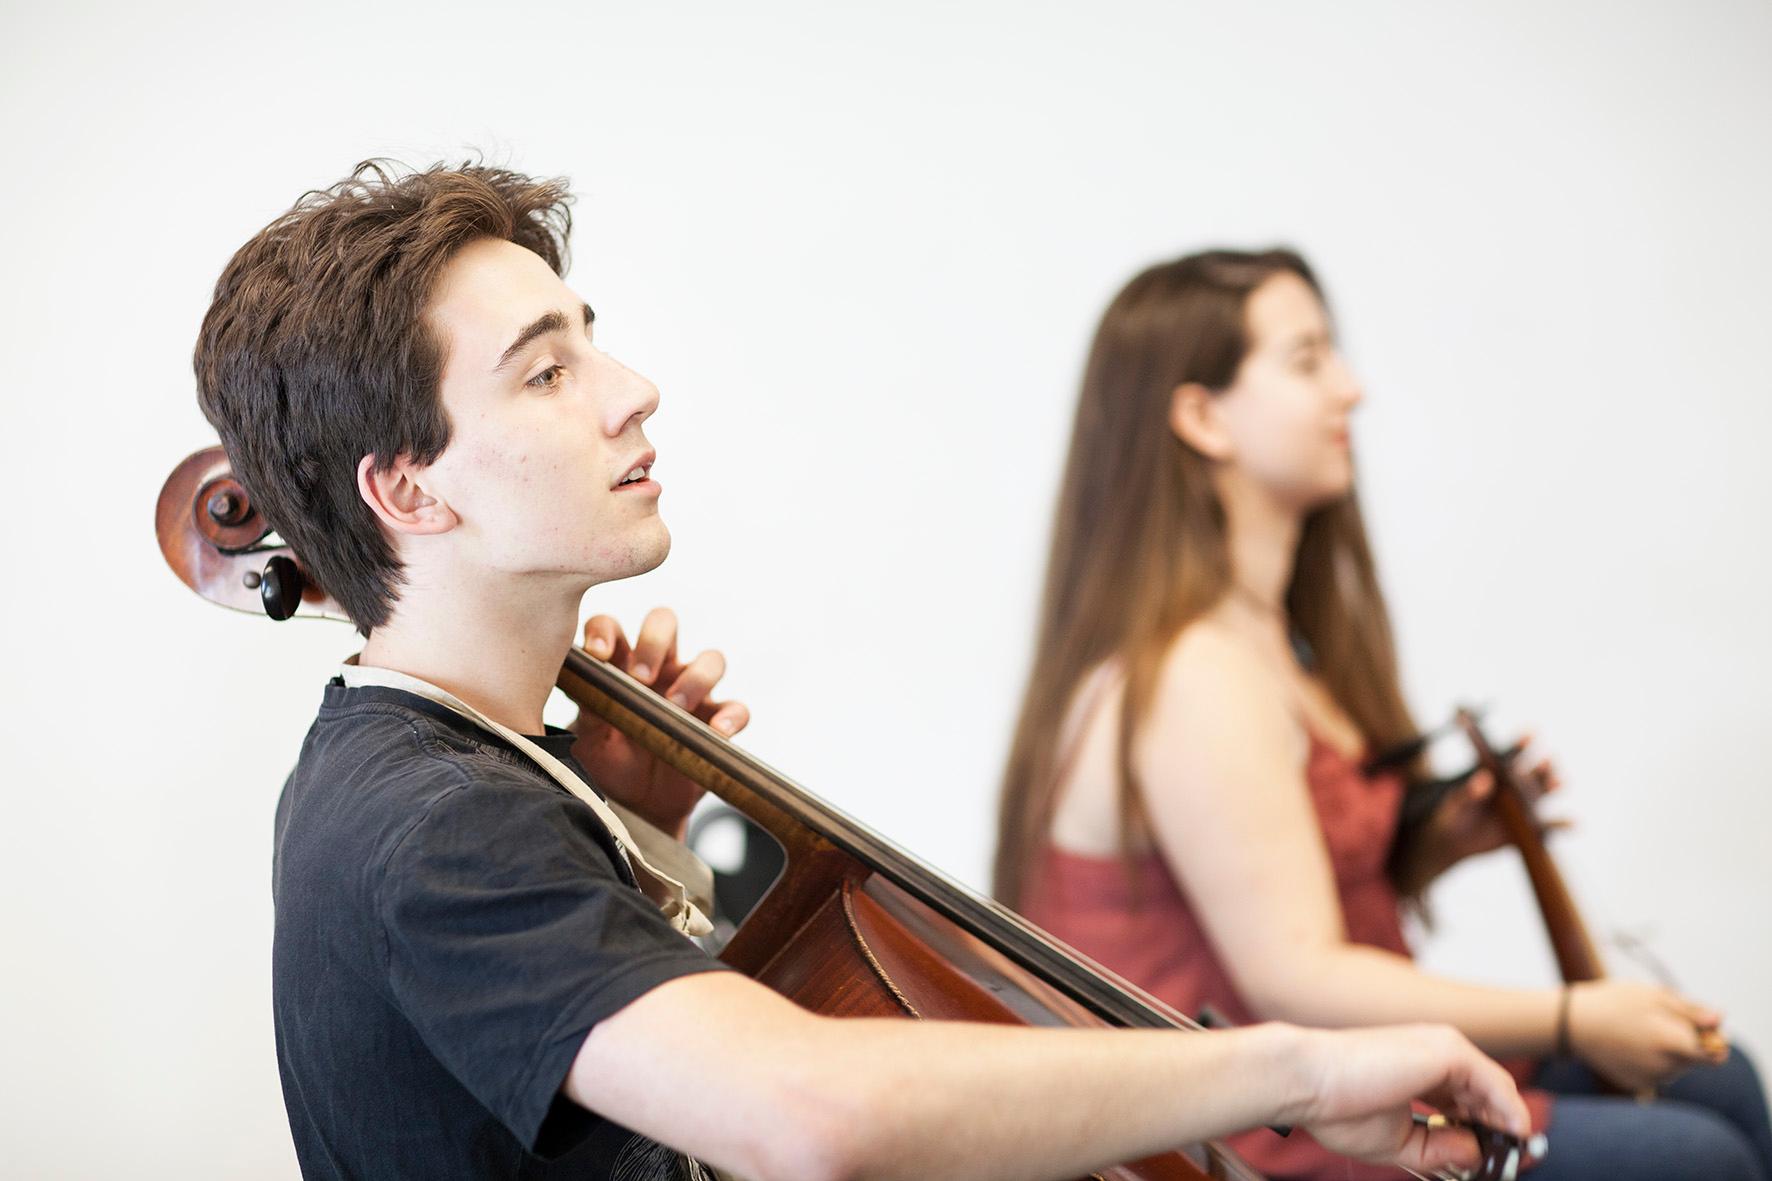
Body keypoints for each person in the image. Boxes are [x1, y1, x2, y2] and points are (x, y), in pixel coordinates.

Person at [193, 164, 1530, 1181]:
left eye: (590, 338)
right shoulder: (438, 820)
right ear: (407, 492)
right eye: (546, 372)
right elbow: (811, 1109)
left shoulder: (452, 774)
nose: (630, 388)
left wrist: (637, 831)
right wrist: (1288, 1063)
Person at [993, 248, 1772, 1180]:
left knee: (1723, 1084)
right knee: (1697, 1156)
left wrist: (1428, 845)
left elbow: (1284, 898)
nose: (1351, 390)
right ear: (1202, 416)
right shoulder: (1195, 670)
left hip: (1334, 1079)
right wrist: (1574, 1017)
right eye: (1308, 359)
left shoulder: (1276, 642)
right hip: (1250, 1130)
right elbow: (1296, 977)